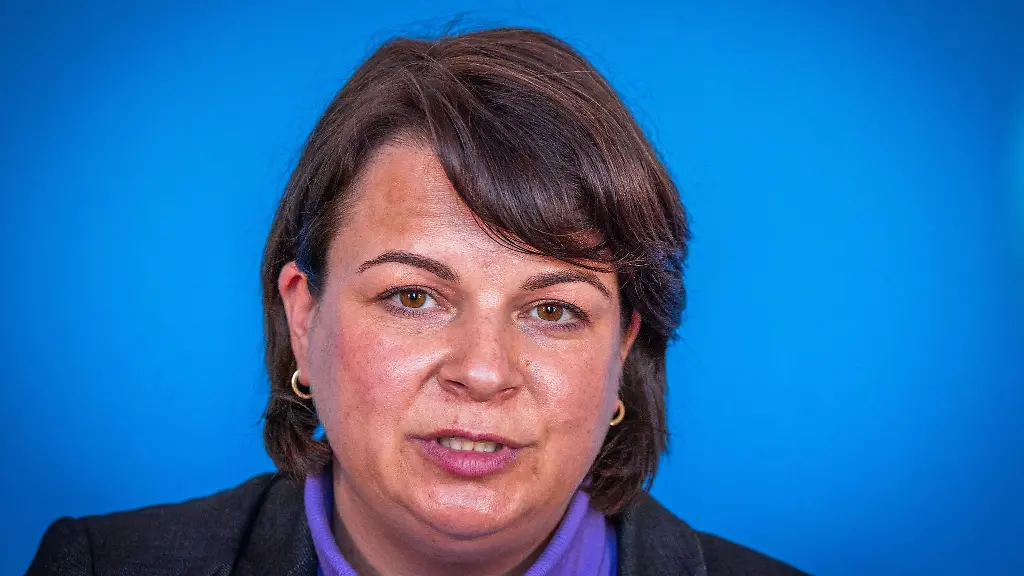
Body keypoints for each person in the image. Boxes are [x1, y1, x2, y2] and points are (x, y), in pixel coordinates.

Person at [28, 27, 807, 576]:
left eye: (553, 310)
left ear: (622, 352)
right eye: (413, 296)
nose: (483, 371)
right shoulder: (101, 565)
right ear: (304, 318)